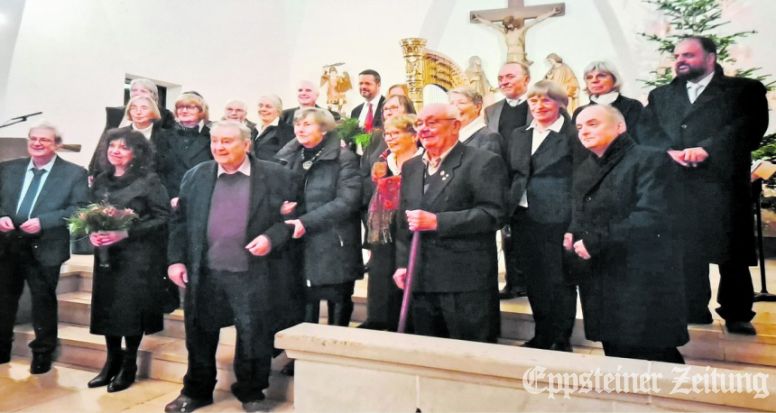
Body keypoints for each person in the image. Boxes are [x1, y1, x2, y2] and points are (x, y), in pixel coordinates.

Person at [638, 36, 769, 335]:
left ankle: (737, 313)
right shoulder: (661, 95)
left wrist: (708, 148)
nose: (680, 60)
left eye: (689, 55)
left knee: (731, 253)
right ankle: (693, 308)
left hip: (721, 183)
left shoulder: (743, 90)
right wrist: (668, 152)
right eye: (677, 55)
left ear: (711, 57)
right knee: (685, 250)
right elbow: (647, 130)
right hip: (677, 182)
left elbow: (748, 126)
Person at [164, 120, 298, 413]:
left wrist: (270, 238)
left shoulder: (277, 176)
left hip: (253, 272)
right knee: (199, 334)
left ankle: (251, 392)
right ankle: (196, 390)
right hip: (205, 271)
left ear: (246, 144)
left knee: (253, 335)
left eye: (227, 141)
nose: (219, 147)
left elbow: (291, 221)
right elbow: (179, 222)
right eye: (215, 141)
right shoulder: (196, 176)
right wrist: (175, 261)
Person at [566, 104, 688, 363]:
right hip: (602, 274)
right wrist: (572, 231)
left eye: (593, 124)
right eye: (579, 127)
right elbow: (583, 210)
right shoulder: (586, 167)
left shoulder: (650, 159)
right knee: (617, 351)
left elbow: (652, 216)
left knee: (654, 352)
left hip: (641, 275)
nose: (584, 131)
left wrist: (596, 240)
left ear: (620, 127)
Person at [392, 103, 506, 342]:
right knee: (428, 355)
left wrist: (438, 222)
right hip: (421, 277)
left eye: (432, 122)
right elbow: (404, 221)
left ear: (455, 126)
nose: (424, 129)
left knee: (469, 357)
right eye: (419, 123)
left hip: (463, 281)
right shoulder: (412, 167)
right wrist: (403, 264)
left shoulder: (482, 162)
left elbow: (492, 214)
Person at [0, 122, 89, 373]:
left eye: (45, 140)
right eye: (33, 139)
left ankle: (42, 352)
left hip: (46, 245)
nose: (37, 144)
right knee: (4, 299)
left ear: (57, 144)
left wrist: (44, 222)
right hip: (7, 244)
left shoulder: (74, 173)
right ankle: (1, 347)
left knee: (43, 300)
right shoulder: (8, 168)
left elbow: (80, 208)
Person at [87, 128, 170, 392]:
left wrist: (124, 232)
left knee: (130, 310)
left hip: (137, 256)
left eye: (123, 147)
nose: (116, 151)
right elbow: (90, 213)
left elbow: (163, 218)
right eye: (112, 146)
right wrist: (92, 233)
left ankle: (129, 364)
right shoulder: (101, 179)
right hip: (106, 255)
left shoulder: (149, 180)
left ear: (136, 152)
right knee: (107, 308)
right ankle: (111, 362)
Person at [506, 80, 580, 352]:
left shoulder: (572, 135)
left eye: (546, 100)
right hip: (524, 217)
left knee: (559, 280)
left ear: (561, 104)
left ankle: (561, 338)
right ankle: (541, 334)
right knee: (535, 280)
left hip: (557, 218)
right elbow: (515, 174)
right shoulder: (519, 134)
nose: (538, 106)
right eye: (533, 101)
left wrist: (575, 224)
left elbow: (579, 183)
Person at [275, 107, 363, 331]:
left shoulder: (344, 158)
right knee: (303, 303)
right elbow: (277, 192)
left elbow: (348, 201)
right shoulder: (288, 156)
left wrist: (306, 222)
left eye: (307, 124)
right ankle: (300, 356)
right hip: (298, 241)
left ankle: (336, 354)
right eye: (298, 124)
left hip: (334, 242)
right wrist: (282, 208)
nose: (300, 129)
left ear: (323, 129)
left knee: (337, 302)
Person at [360, 114, 422, 331]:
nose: (390, 138)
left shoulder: (422, 160)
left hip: (410, 222)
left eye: (396, 133)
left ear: (414, 136)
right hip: (384, 225)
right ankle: (379, 318)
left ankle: (406, 322)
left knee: (405, 268)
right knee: (381, 269)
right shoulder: (383, 162)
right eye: (387, 134)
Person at [484, 61, 532, 300]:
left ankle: (529, 281)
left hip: (531, 177)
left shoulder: (538, 105)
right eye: (501, 77)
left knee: (528, 233)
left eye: (510, 76)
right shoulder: (491, 110)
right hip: (503, 176)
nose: (504, 81)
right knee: (507, 232)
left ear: (526, 79)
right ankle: (513, 282)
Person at [153, 92, 213, 208]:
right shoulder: (162, 135)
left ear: (202, 111)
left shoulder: (212, 136)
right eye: (180, 107)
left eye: (190, 107)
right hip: (167, 201)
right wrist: (169, 197)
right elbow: (158, 170)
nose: (184, 111)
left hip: (201, 200)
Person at [89, 95, 165, 178]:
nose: (138, 112)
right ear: (129, 111)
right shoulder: (118, 134)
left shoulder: (166, 137)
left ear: (153, 112)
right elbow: (102, 160)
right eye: (133, 108)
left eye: (144, 108)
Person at [572, 61, 643, 135]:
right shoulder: (580, 112)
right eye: (589, 77)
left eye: (601, 76)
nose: (594, 80)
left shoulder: (632, 106)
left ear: (614, 79)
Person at [472, 7, 559, 65]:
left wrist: (552, 12)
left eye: (510, 24)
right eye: (507, 25)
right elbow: (491, 24)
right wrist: (479, 18)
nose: (509, 26)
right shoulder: (505, 32)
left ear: (513, 23)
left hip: (519, 55)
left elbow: (537, 20)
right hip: (509, 56)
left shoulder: (521, 30)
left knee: (520, 74)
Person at [448, 86, 505, 158]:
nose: (455, 107)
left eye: (461, 103)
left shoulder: (490, 138)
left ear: (477, 106)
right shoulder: (451, 138)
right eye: (451, 103)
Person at [105, 78, 175, 131]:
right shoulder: (116, 112)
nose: (137, 93)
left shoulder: (165, 115)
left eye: (143, 91)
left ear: (153, 95)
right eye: (134, 90)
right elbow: (105, 140)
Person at [252, 95, 294, 161]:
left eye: (268, 106)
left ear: (278, 110)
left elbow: (286, 158)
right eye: (260, 106)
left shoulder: (287, 131)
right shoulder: (252, 130)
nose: (263, 109)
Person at [350, 69, 386, 133]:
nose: (363, 86)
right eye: (361, 83)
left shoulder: (387, 106)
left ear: (378, 84)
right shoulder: (355, 111)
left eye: (367, 83)